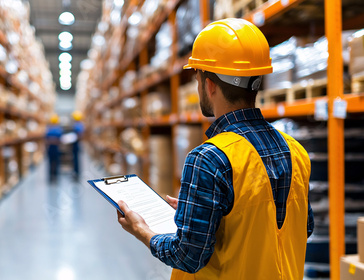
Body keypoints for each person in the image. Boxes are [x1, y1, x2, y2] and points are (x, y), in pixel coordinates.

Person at [117, 18, 314, 279]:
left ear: (209, 84)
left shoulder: (208, 159)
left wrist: (142, 230)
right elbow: (301, 226)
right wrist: (207, 215)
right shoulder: (296, 150)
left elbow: (187, 256)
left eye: (197, 76)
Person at [46, 114, 63, 182]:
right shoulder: (58, 129)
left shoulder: (49, 129)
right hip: (56, 148)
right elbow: (60, 139)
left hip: (50, 148)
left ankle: (51, 176)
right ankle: (55, 176)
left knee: (50, 162)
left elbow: (46, 139)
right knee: (56, 162)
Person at [71, 111, 85, 180]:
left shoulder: (77, 125)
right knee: (76, 159)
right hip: (77, 143)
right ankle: (76, 172)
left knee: (76, 159)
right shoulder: (80, 124)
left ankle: (76, 173)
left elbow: (79, 135)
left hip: (76, 143)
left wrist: (73, 138)